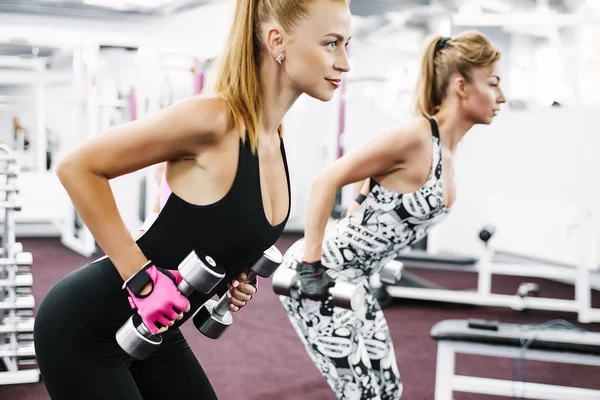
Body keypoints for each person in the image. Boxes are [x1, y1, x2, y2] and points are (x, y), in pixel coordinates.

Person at [33, 0, 351, 398]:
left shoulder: (274, 138)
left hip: (157, 332)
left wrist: (236, 274)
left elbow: (215, 228)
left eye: (346, 44)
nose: (344, 63)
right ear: (277, 41)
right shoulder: (213, 118)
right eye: (331, 43)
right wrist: (142, 280)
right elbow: (77, 167)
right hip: (84, 329)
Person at [277, 31, 506, 400]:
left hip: (358, 279)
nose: (502, 97)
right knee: (363, 394)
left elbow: (372, 180)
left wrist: (359, 209)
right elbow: (326, 181)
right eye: (493, 84)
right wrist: (311, 264)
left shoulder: (445, 149)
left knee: (388, 390)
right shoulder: (416, 136)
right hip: (322, 275)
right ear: (461, 86)